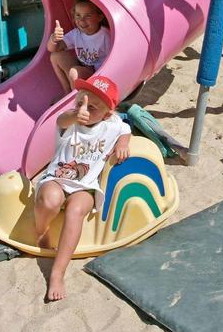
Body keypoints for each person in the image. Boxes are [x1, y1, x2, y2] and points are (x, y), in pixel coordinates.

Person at [34, 75, 131, 301]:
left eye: (93, 107)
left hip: (85, 186)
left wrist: (123, 143)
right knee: (50, 200)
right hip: (56, 179)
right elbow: (61, 119)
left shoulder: (112, 123)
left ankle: (58, 273)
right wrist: (74, 114)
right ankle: (41, 230)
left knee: (76, 210)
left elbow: (124, 127)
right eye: (80, 102)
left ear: (107, 114)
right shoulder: (71, 124)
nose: (84, 109)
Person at [47, 0, 110, 93]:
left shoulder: (105, 35)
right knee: (55, 56)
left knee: (74, 72)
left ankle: (74, 98)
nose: (82, 20)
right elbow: (53, 49)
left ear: (100, 17)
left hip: (97, 76)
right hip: (82, 68)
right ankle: (67, 92)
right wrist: (54, 39)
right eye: (78, 15)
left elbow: (114, 59)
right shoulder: (76, 33)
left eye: (88, 16)